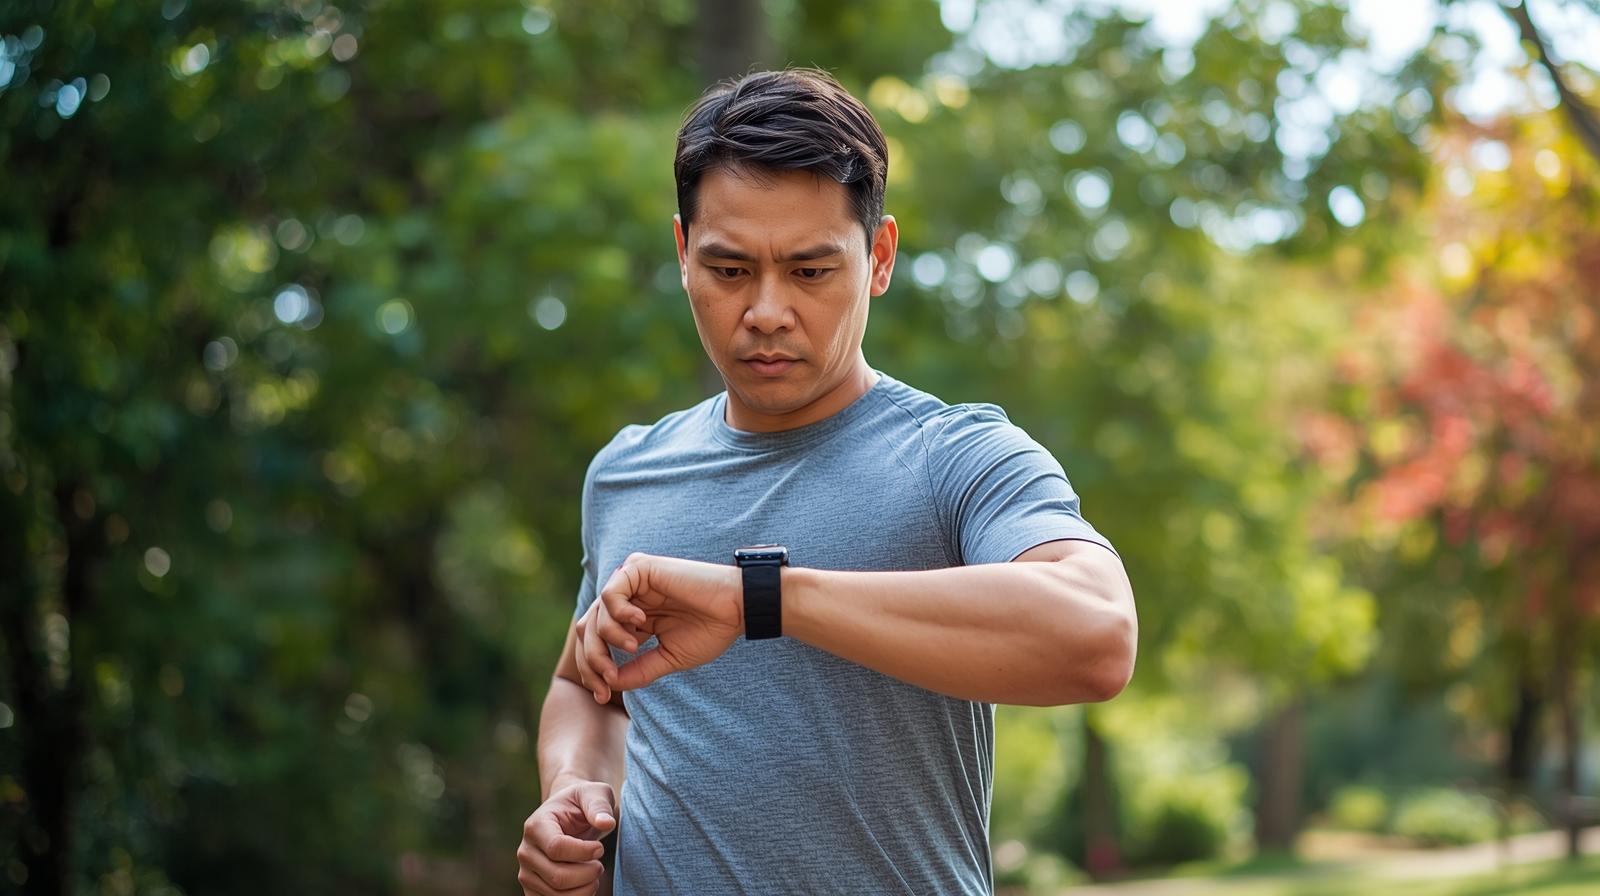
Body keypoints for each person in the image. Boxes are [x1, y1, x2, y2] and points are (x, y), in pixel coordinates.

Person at [517, 67, 1137, 896]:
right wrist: (572, 793)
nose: (767, 310)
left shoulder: (958, 455)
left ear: (878, 258)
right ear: (682, 253)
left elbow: (1096, 636)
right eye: (730, 270)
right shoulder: (628, 471)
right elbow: (586, 685)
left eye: (810, 271)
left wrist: (758, 600)